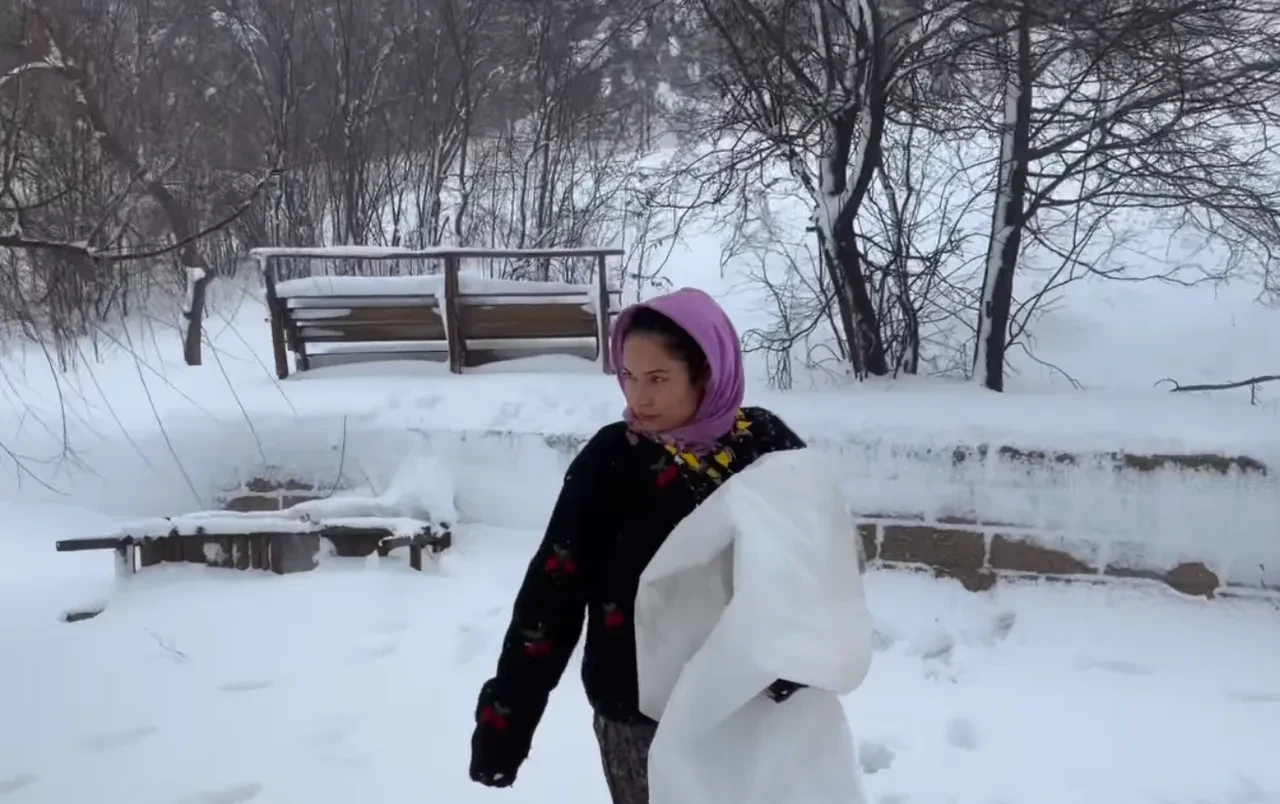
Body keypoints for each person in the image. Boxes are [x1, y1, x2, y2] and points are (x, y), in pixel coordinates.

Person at [468, 287, 809, 803]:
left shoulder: (762, 445)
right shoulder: (612, 462)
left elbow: (815, 562)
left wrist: (797, 657)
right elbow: (550, 595)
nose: (638, 397)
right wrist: (507, 721)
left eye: (657, 378)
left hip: (747, 707)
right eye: (627, 375)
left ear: (706, 375)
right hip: (641, 718)